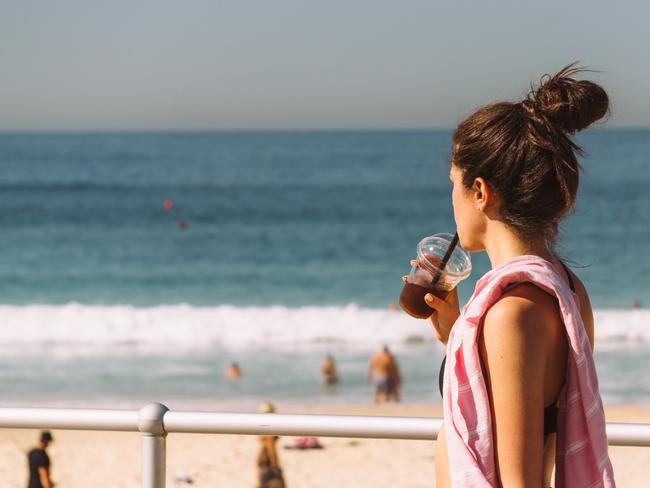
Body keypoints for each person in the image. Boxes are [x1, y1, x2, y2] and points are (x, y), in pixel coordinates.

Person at [410, 64, 615, 486]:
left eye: (454, 183)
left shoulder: (511, 315)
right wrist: (457, 335)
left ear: (481, 192)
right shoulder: (570, 292)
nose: (452, 198)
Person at [256, 402, 285, 488]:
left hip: (261, 456)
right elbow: (270, 444)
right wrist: (274, 462)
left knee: (262, 483)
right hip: (268, 459)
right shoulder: (270, 425)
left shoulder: (261, 425)